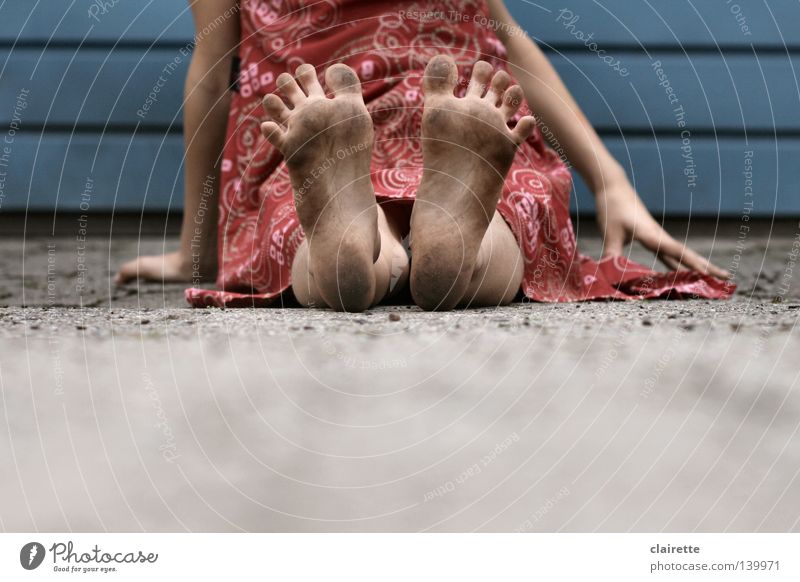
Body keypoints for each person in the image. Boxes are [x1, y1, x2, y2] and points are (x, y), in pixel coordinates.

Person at [116, 0, 733, 311]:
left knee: (295, 222)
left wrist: (197, 246)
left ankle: (344, 251)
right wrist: (607, 179)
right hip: (459, 97)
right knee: (510, 210)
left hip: (319, 104)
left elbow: (209, 70)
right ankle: (459, 247)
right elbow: (508, 44)